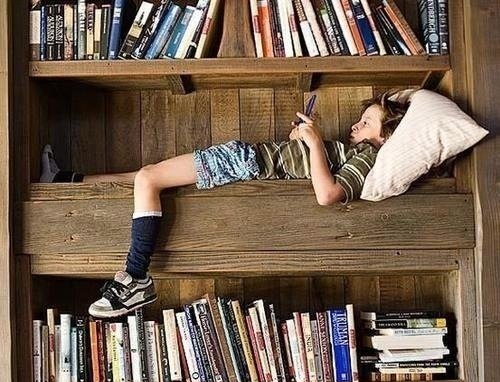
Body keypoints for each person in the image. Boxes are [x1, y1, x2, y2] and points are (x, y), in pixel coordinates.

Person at [40, 92, 407, 319]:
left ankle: (136, 277)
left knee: (148, 178)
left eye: (367, 122)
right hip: (250, 159)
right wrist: (303, 142)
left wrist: (313, 144)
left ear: (386, 135)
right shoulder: (353, 150)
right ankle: (65, 180)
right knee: (144, 177)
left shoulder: (368, 157)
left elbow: (327, 194)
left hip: (246, 162)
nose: (357, 125)